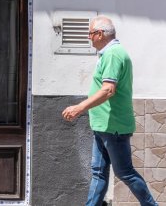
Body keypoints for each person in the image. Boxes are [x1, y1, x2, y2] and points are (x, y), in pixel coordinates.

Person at [62, 16, 157, 206]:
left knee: (125, 173)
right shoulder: (109, 54)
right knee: (98, 173)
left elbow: (108, 90)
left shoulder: (114, 54)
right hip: (103, 125)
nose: (89, 38)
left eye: (90, 34)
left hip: (113, 126)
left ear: (99, 34)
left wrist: (80, 107)